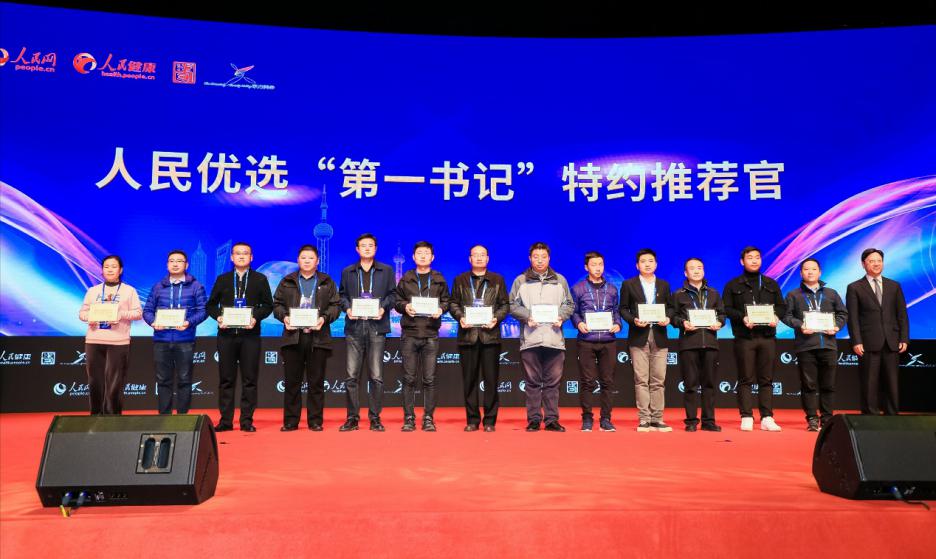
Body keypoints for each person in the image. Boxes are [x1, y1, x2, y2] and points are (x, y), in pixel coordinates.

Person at [206, 242, 273, 432]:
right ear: (232, 257)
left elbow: (268, 305)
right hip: (226, 335)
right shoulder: (223, 279)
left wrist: (255, 318)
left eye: (245, 253)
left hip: (250, 336)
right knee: (226, 380)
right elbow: (211, 305)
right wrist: (219, 317)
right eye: (237, 253)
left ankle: (246, 421)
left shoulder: (260, 279)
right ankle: (225, 421)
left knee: (249, 380)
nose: (241, 256)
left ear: (251, 257)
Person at [272, 245, 340, 431]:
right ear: (298, 260)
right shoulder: (287, 281)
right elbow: (277, 305)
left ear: (317, 261)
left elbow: (335, 306)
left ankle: (315, 421)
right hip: (293, 337)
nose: (307, 261)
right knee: (292, 382)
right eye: (303, 257)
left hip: (318, 337)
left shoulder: (327, 281)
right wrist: (285, 318)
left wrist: (323, 319)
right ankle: (291, 421)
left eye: (311, 258)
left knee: (316, 382)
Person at [509, 242, 575, 432]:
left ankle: (552, 420)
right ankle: (534, 420)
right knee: (532, 383)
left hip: (554, 339)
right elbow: (512, 305)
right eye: (536, 257)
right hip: (530, 339)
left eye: (543, 257)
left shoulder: (560, 280)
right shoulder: (520, 280)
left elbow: (569, 304)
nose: (540, 260)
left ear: (549, 258)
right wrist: (527, 317)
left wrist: (561, 316)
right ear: (530, 259)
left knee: (553, 384)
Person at [722, 246, 786, 432]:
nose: (754, 260)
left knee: (766, 379)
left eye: (757, 257)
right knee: (745, 378)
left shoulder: (770, 283)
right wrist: (743, 317)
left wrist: (776, 317)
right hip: (745, 337)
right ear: (742, 261)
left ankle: (767, 417)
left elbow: (781, 306)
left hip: (767, 337)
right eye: (750, 257)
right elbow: (726, 309)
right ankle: (746, 416)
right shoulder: (733, 285)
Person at [338, 233, 397, 432]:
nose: (367, 248)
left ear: (376, 248)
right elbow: (342, 296)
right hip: (354, 328)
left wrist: (383, 308)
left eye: (371, 245)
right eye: (363, 245)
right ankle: (352, 418)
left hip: (377, 327)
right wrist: (347, 309)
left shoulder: (386, 270)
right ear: (357, 249)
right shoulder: (348, 271)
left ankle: (375, 418)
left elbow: (393, 295)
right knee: (351, 376)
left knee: (376, 376)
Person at [448, 244, 510, 432]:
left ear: (488, 258)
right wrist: (460, 317)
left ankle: (490, 421)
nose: (479, 258)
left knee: (491, 381)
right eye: (475, 255)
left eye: (482, 255)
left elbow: (505, 305)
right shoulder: (460, 280)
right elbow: (453, 303)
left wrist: (496, 319)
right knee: (469, 381)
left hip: (490, 337)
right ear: (470, 259)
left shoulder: (497, 279)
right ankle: (472, 420)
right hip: (468, 336)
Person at [782, 258, 848, 431]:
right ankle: (811, 418)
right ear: (801, 273)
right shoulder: (793, 295)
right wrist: (800, 325)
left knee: (828, 385)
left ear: (820, 272)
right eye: (806, 269)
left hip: (828, 345)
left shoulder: (831, 293)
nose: (810, 272)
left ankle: (827, 418)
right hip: (806, 346)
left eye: (813, 269)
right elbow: (786, 316)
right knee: (808, 385)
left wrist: (836, 326)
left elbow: (842, 313)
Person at [142, 249, 208, 415]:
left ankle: (183, 417)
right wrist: (153, 322)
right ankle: (164, 417)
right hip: (161, 339)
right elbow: (147, 310)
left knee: (184, 380)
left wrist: (188, 322)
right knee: (163, 380)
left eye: (179, 261)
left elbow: (203, 311)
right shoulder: (158, 286)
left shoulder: (196, 286)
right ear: (167, 265)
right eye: (172, 261)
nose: (175, 264)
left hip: (185, 339)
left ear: (186, 264)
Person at [393, 241, 450, 432]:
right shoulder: (406, 278)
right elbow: (397, 301)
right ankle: (409, 418)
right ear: (413, 257)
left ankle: (428, 418)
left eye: (426, 253)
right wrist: (405, 307)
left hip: (431, 333)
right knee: (409, 379)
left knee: (429, 379)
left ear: (432, 257)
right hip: (410, 333)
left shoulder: (439, 279)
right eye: (419, 253)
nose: (423, 256)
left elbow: (447, 301)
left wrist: (441, 309)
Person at [845, 248, 909, 416]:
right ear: (863, 264)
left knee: (892, 382)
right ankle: (870, 416)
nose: (876, 264)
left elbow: (902, 314)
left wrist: (904, 338)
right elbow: (853, 318)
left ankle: (892, 415)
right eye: (872, 261)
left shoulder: (894, 286)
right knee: (869, 382)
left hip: (892, 341)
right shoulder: (854, 287)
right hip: (868, 342)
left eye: (879, 260)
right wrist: (856, 341)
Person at [78, 255, 142, 415]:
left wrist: (120, 314)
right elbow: (82, 313)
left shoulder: (129, 291)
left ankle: (113, 416)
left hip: (118, 342)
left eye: (114, 266)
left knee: (115, 382)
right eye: (106, 267)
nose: (110, 270)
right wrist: (90, 317)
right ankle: (95, 415)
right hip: (94, 340)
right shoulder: (93, 291)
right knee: (95, 380)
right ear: (102, 270)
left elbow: (138, 313)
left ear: (120, 270)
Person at [619, 248, 674, 432]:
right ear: (637, 265)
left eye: (650, 261)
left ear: (656, 264)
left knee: (658, 380)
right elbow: (623, 309)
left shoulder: (664, 285)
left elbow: (671, 308)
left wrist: (667, 318)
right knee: (641, 379)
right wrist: (633, 320)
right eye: (643, 261)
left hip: (659, 335)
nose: (647, 264)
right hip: (638, 335)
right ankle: (644, 419)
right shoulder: (629, 284)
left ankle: (657, 418)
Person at [671, 257, 726, 432]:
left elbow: (722, 314)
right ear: (685, 273)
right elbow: (673, 317)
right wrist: (683, 323)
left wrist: (719, 322)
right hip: (689, 343)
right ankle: (691, 421)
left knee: (709, 384)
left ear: (704, 271)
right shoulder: (678, 294)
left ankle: (709, 421)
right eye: (692, 268)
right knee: (690, 384)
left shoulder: (714, 293)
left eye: (700, 267)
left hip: (710, 343)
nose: (696, 271)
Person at [570, 251, 621, 432]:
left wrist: (618, 324)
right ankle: (587, 419)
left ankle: (606, 419)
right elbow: (574, 312)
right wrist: (579, 323)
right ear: (586, 267)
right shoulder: (578, 289)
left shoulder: (612, 289)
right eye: (594, 265)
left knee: (608, 382)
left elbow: (616, 311)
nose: (598, 268)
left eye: (600, 264)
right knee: (587, 382)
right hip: (587, 340)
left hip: (608, 340)